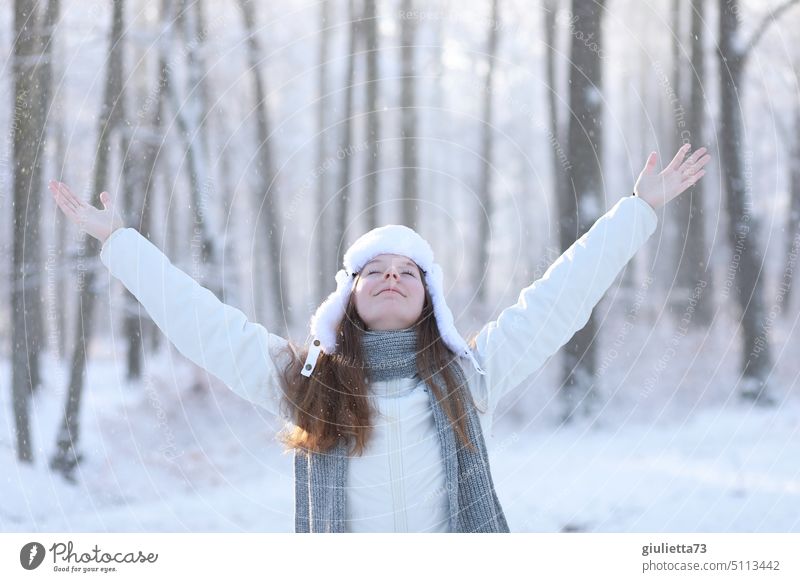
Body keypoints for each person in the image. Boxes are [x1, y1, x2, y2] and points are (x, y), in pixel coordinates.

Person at [50, 144, 710, 533]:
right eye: (375, 272)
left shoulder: (471, 374)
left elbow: (560, 297)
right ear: (350, 295)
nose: (391, 279)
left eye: (407, 273)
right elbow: (203, 325)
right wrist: (119, 243)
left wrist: (639, 211)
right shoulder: (304, 384)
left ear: (429, 299)